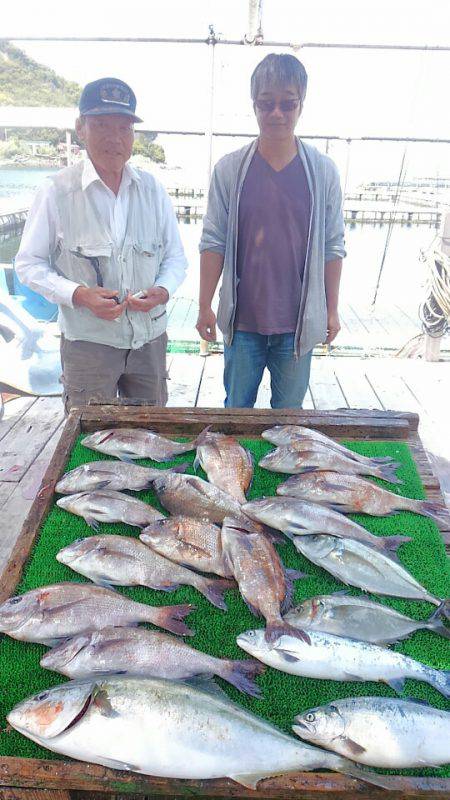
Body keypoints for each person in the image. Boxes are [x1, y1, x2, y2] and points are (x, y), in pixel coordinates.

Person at [15, 77, 187, 412]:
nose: (114, 138)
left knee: (152, 431)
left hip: (149, 342)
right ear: (81, 128)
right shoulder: (56, 191)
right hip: (87, 345)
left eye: (124, 128)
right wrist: (79, 295)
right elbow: (28, 264)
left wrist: (163, 289)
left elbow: (176, 258)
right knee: (88, 437)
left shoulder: (154, 190)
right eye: (101, 125)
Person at [197, 53, 345, 408]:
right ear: (254, 105)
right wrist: (204, 305)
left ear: (301, 105)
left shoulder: (323, 172)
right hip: (242, 324)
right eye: (266, 104)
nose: (277, 113)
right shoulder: (230, 170)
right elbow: (213, 239)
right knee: (236, 413)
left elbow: (333, 246)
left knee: (291, 420)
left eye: (287, 104)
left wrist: (332, 309)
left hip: (297, 325)